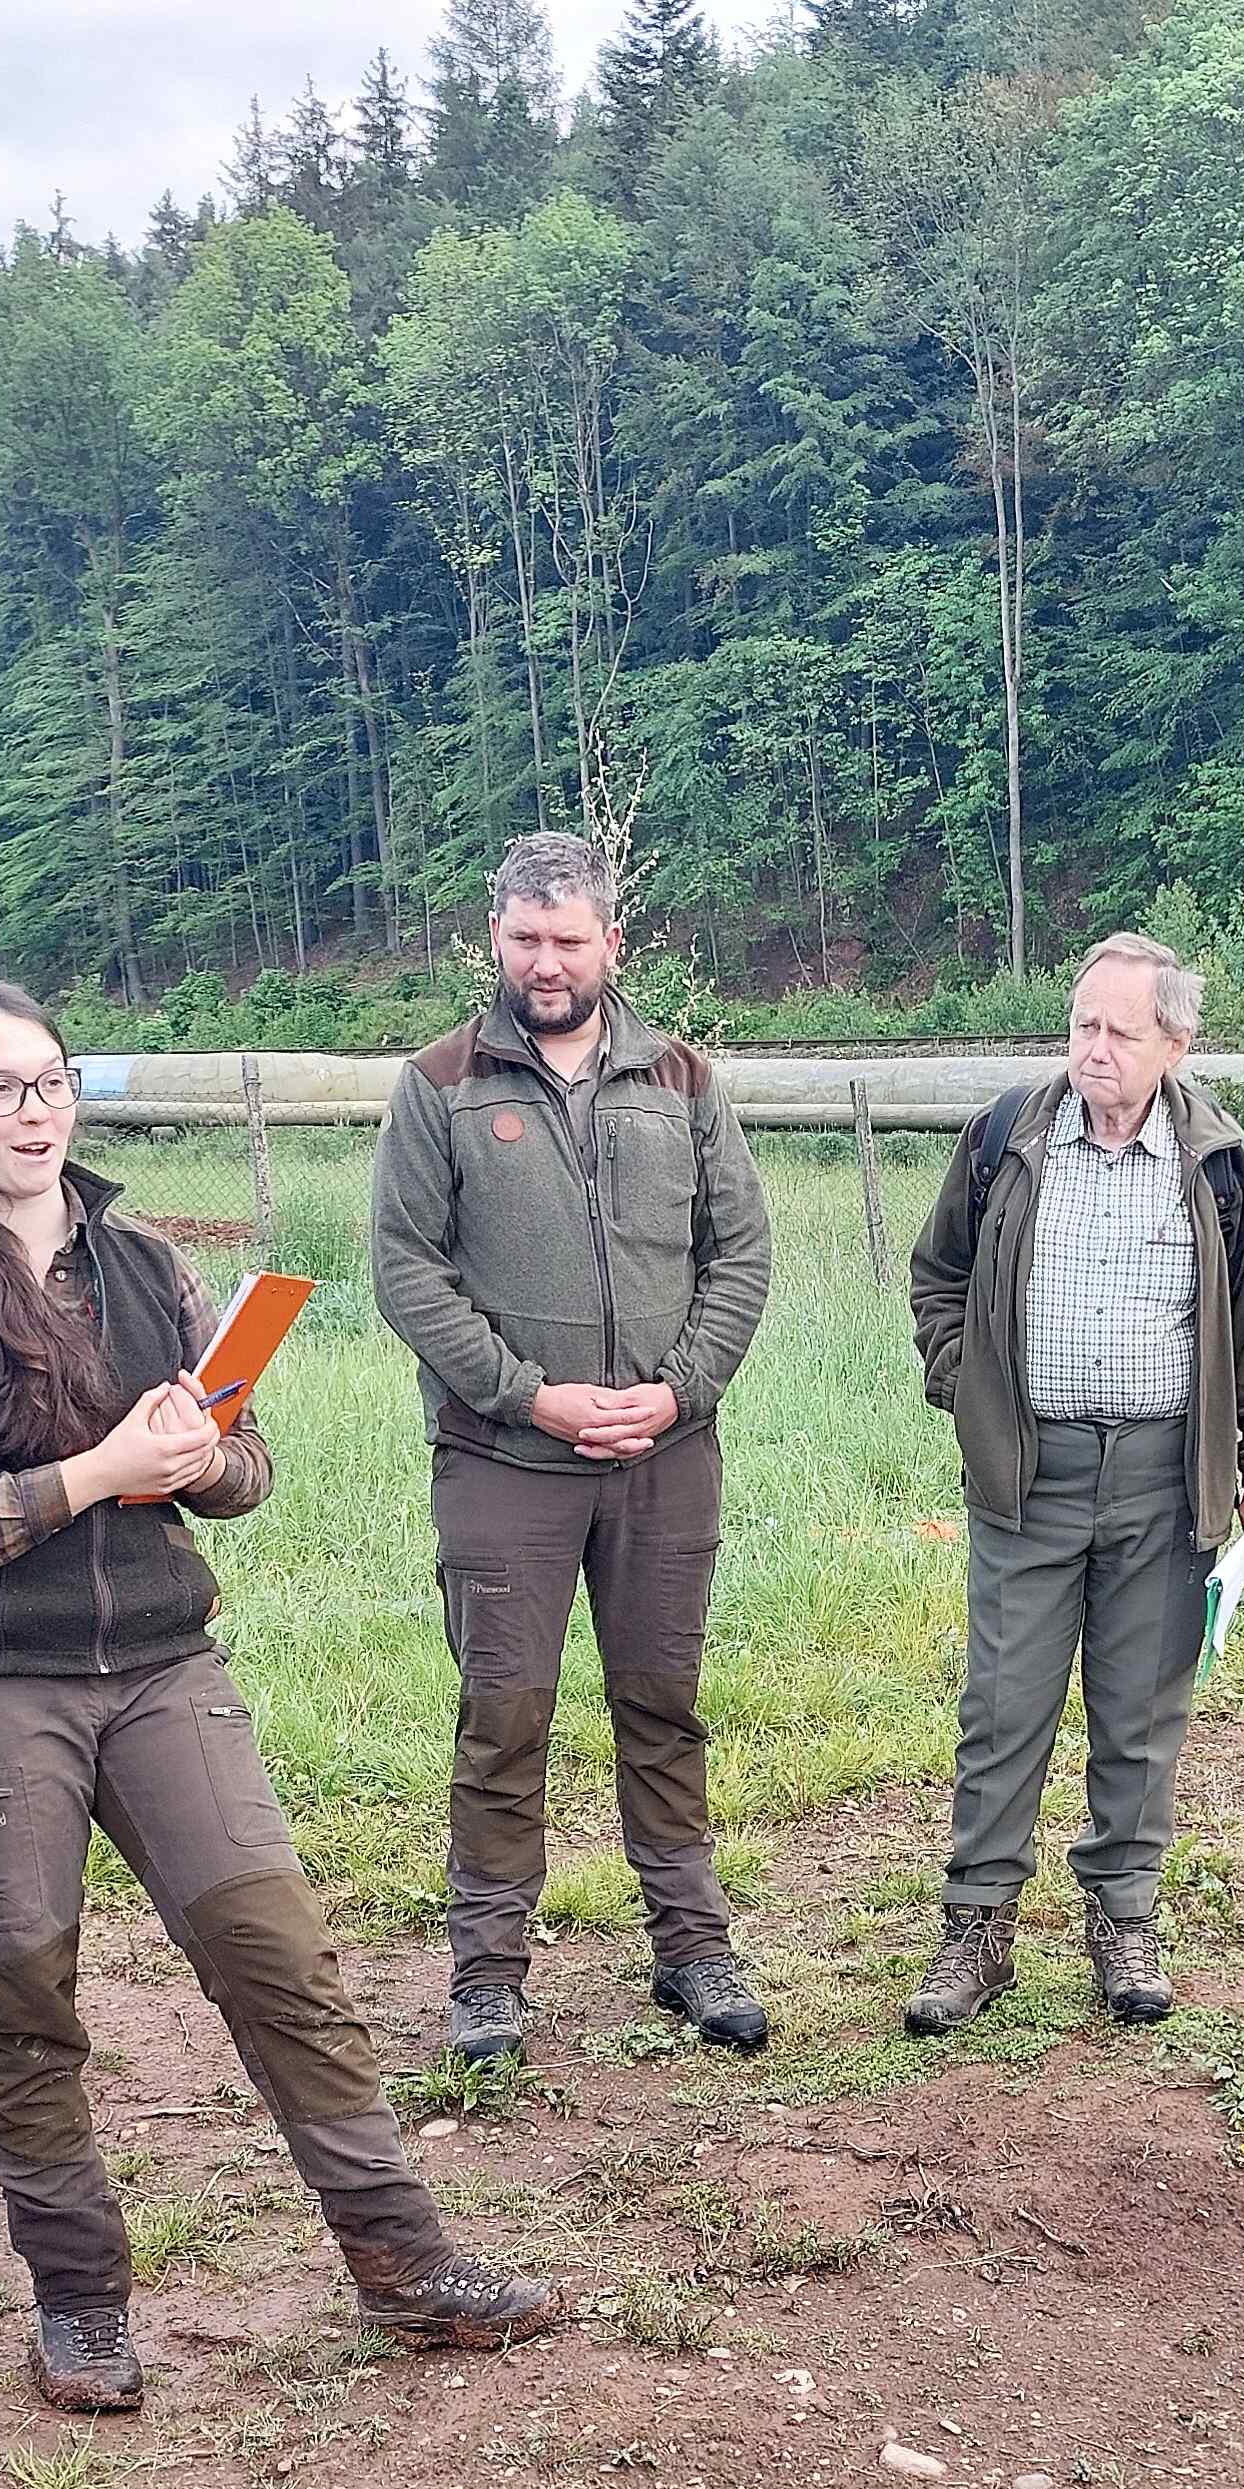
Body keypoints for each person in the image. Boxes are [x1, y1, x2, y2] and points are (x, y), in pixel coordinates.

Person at [0, 977, 554, 2410]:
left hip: (164, 1668)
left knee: (282, 1959)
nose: (33, 1113)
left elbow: (247, 1467)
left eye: (51, 1084)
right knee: (25, 2000)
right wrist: (94, 1474)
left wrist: (199, 1459)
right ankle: (81, 2306)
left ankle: (403, 2267)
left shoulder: (146, 1266)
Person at [370, 833, 775, 2066]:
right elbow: (406, 1271)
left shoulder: (685, 1082)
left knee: (663, 1705)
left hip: (665, 1458)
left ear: (612, 941)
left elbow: (740, 1256)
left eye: (568, 940)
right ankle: (488, 1977)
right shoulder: (439, 1086)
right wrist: (530, 1397)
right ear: (494, 936)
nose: (546, 963)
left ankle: (693, 1950)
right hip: (504, 1465)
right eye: (524, 939)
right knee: (503, 1718)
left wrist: (677, 1391)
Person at [900, 934, 1244, 2032]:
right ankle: (976, 1930)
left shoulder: (1218, 1161)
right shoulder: (1006, 1138)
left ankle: (1124, 1921)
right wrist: (967, 1385)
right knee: (1004, 1707)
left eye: (1121, 1032)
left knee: (1139, 1714)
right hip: (1027, 1473)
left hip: (1167, 1478)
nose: (1094, 1049)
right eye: (1084, 1025)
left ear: (1176, 1043)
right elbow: (937, 1275)